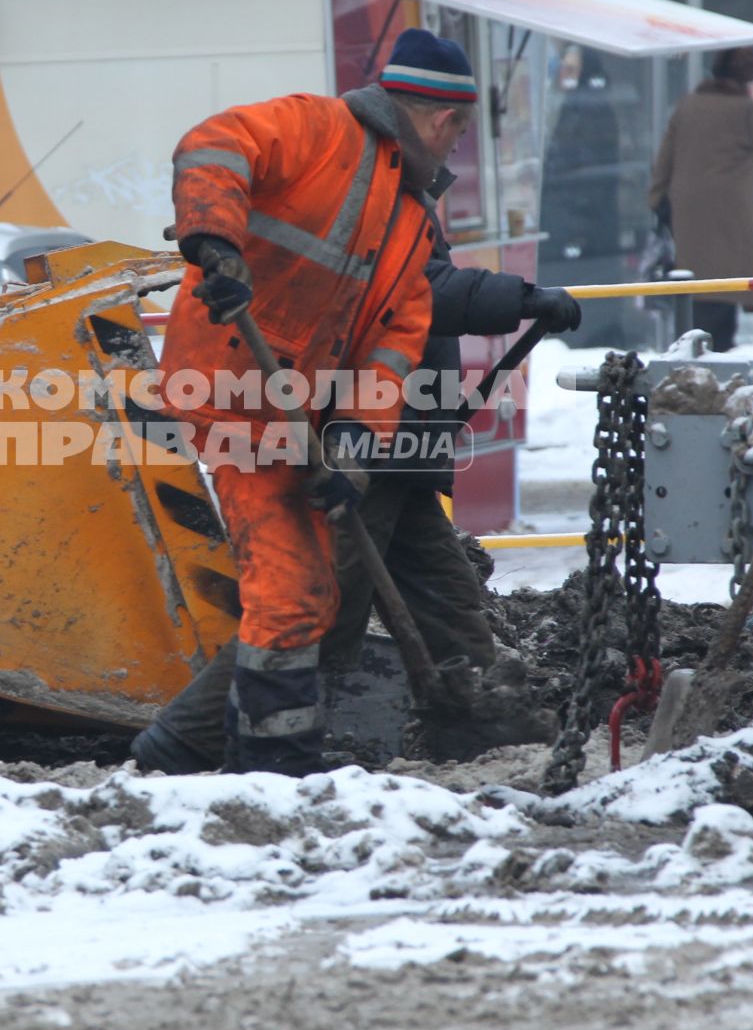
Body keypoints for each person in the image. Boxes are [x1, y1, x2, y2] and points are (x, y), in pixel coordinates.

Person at [132, 42, 584, 777]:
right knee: (305, 593)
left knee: (318, 593)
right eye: (459, 130)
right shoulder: (318, 129)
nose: (458, 145)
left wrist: (352, 450)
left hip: (303, 417)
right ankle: (235, 756)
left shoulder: (406, 216)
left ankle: (281, 762)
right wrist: (214, 241)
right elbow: (215, 145)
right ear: (440, 117)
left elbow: (395, 345)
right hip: (229, 388)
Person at [646, 47, 753, 350]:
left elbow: (665, 158)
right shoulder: (746, 110)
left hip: (689, 214)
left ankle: (694, 350)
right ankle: (715, 355)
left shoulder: (688, 106)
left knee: (699, 285)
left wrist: (657, 200)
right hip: (733, 215)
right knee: (725, 285)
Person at [540, 45, 622, 265]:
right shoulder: (568, 103)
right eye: (563, 68)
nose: (564, 75)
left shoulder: (591, 107)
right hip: (573, 215)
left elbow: (585, 164)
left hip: (584, 221)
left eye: (572, 69)